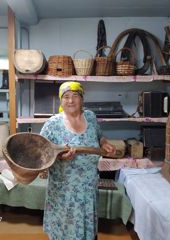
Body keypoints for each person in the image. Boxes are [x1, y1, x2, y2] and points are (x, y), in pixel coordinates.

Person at [40, 81, 116, 240]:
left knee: (86, 231)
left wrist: (105, 143)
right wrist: (60, 156)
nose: (70, 101)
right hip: (63, 191)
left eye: (75, 96)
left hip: (88, 188)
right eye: (66, 97)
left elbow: (99, 136)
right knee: (64, 230)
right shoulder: (52, 124)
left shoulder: (90, 116)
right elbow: (41, 154)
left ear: (82, 99)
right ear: (61, 100)